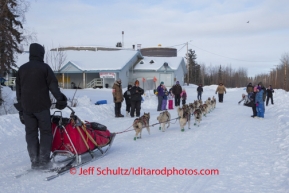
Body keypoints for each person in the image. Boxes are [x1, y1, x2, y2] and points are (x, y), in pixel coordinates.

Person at [14, 43, 67, 170]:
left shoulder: (22, 69)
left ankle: (34, 160)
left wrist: (21, 108)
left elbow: (18, 91)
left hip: (27, 108)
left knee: (31, 133)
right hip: (42, 107)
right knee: (45, 132)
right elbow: (53, 86)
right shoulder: (44, 68)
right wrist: (61, 100)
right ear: (41, 53)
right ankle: (43, 160)